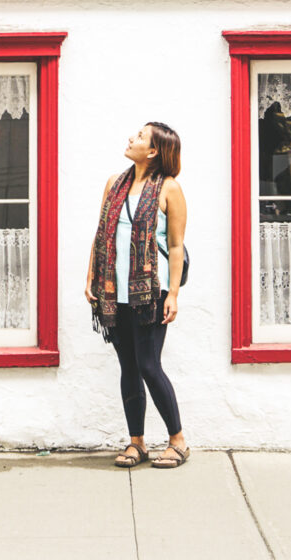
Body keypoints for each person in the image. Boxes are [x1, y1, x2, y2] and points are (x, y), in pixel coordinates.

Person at [85, 122, 189, 469]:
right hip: (113, 292)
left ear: (155, 150)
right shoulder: (114, 184)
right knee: (128, 366)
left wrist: (172, 293)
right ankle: (137, 443)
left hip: (150, 294)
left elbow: (175, 246)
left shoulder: (170, 189)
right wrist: (92, 279)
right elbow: (102, 235)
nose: (132, 138)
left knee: (149, 365)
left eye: (141, 136)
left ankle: (178, 441)